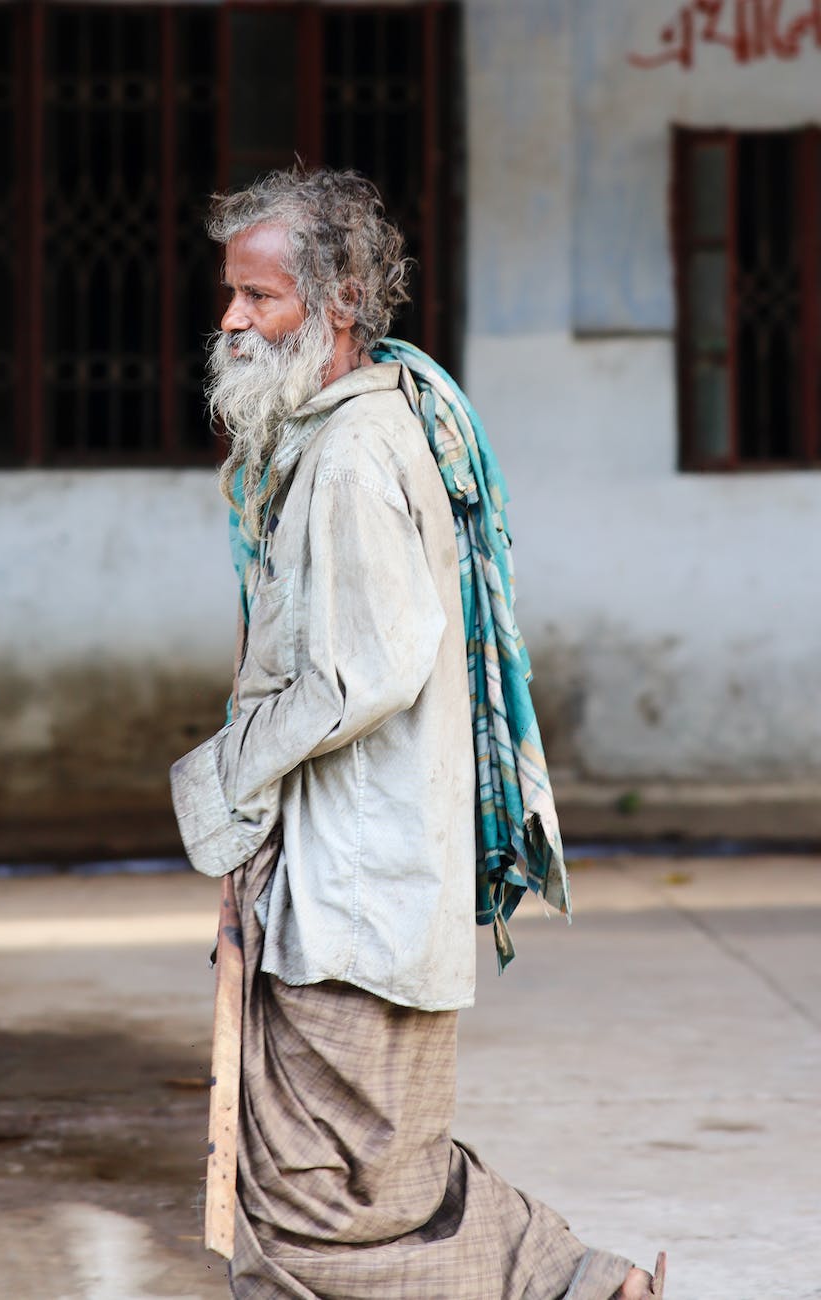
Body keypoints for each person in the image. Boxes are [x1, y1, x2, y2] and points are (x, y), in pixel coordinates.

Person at [170, 167, 664, 1300]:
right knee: (377, 1181)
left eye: (261, 299)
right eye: (231, 297)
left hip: (358, 895)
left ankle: (570, 1281)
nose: (233, 321)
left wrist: (221, 776)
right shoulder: (370, 418)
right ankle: (584, 1278)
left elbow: (366, 671)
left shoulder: (350, 454)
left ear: (339, 299)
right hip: (364, 887)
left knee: (318, 1218)